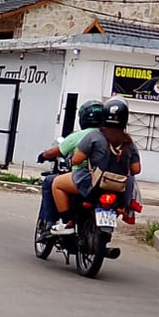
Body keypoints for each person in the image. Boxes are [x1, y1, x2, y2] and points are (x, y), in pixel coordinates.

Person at [51, 97, 141, 234]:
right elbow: (136, 169)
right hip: (119, 188)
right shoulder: (129, 142)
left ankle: (66, 222)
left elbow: (76, 160)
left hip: (93, 183)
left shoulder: (94, 136)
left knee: (57, 183)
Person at [36, 99, 107, 237]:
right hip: (108, 180)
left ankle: (57, 221)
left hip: (85, 178)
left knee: (51, 182)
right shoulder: (113, 137)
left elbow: (66, 155)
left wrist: (43, 155)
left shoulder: (84, 136)